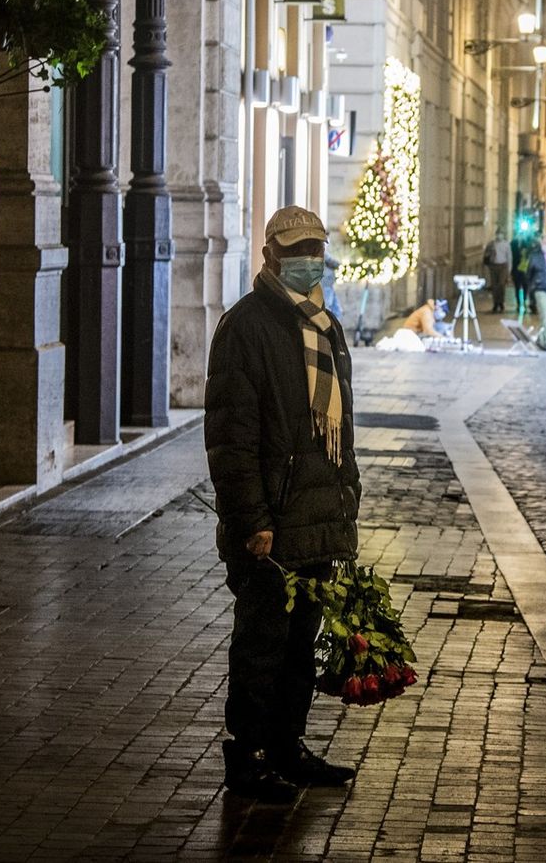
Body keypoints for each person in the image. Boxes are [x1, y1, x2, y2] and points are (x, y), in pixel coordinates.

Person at [205, 205, 362, 801]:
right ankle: (247, 758)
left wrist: (347, 500)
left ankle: (289, 747)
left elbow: (342, 428)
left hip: (317, 517)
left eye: (316, 248)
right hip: (270, 523)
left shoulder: (325, 324)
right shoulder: (245, 328)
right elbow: (230, 438)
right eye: (297, 250)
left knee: (301, 644)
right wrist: (251, 521)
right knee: (261, 645)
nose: (308, 260)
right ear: (269, 254)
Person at [483, 232, 512, 313]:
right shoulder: (491, 244)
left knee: (501, 284)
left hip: (503, 266)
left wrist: (509, 270)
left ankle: (501, 302)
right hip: (493, 266)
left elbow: (509, 257)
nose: (499, 236)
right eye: (498, 234)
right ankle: (495, 303)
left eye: (500, 234)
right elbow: (486, 255)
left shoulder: (506, 244)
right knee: (494, 286)